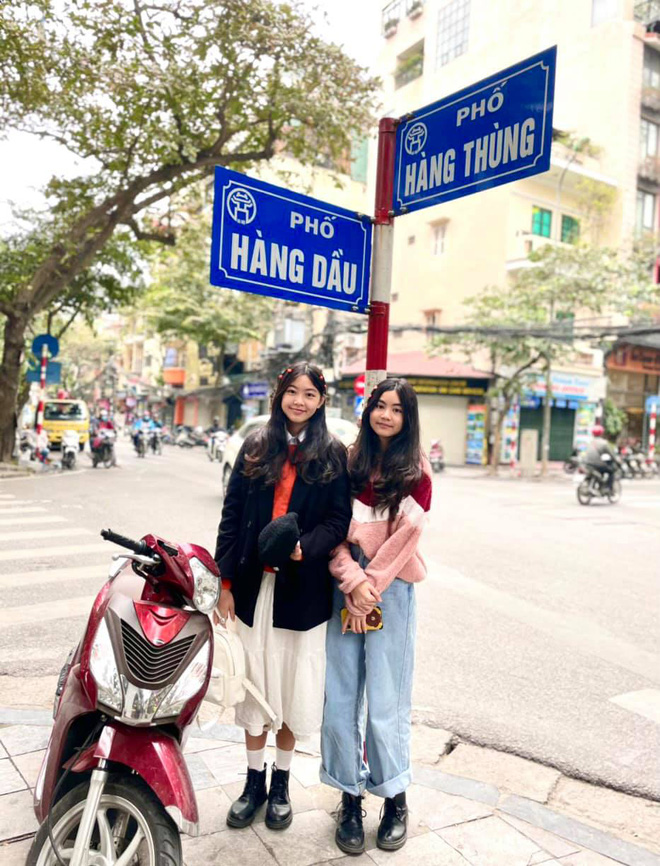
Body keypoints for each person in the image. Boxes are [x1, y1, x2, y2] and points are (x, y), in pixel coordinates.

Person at [214, 362, 352, 832]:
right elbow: (232, 516)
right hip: (254, 588)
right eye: (293, 391)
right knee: (254, 682)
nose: (300, 401)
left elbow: (338, 521)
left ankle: (281, 784)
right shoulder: (256, 446)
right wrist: (225, 584)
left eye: (310, 394)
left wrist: (303, 548)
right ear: (280, 395)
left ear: (321, 401)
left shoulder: (332, 454)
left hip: (303, 590)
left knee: (293, 685)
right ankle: (253, 781)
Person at [321, 378, 432, 855]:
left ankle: (394, 799)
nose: (386, 415)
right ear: (368, 411)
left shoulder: (417, 470)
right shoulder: (349, 463)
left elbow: (406, 537)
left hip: (393, 589)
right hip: (345, 588)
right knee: (340, 697)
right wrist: (352, 580)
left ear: (408, 418)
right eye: (380, 406)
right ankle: (349, 797)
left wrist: (370, 586)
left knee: (387, 700)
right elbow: (331, 529)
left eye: (397, 409)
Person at [584, 425, 618, 490]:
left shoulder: (589, 442)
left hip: (587, 464)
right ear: (602, 433)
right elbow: (611, 454)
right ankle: (607, 488)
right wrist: (617, 461)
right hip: (598, 465)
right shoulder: (604, 443)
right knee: (611, 472)